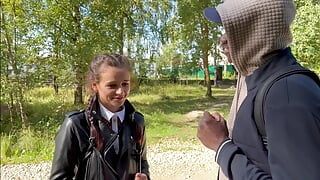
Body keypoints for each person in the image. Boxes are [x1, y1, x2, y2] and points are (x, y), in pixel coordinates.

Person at [197, 0, 320, 179]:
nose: (222, 39)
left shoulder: (286, 94)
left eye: (233, 29)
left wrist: (221, 146)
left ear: (255, 33)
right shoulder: (260, 81)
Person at [50, 54, 150, 180]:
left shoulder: (137, 121)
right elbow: (59, 177)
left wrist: (144, 176)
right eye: (112, 85)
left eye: (125, 84)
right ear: (95, 86)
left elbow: (142, 161)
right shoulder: (76, 125)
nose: (120, 91)